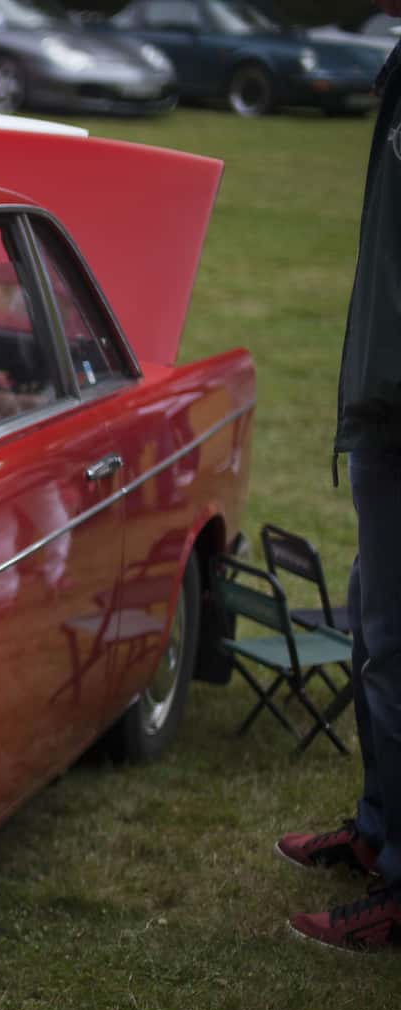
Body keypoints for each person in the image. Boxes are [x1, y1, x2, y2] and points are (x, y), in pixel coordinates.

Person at [277, 28, 401, 952]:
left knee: (396, 643)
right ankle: (377, 829)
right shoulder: (396, 70)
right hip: (380, 408)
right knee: (372, 626)